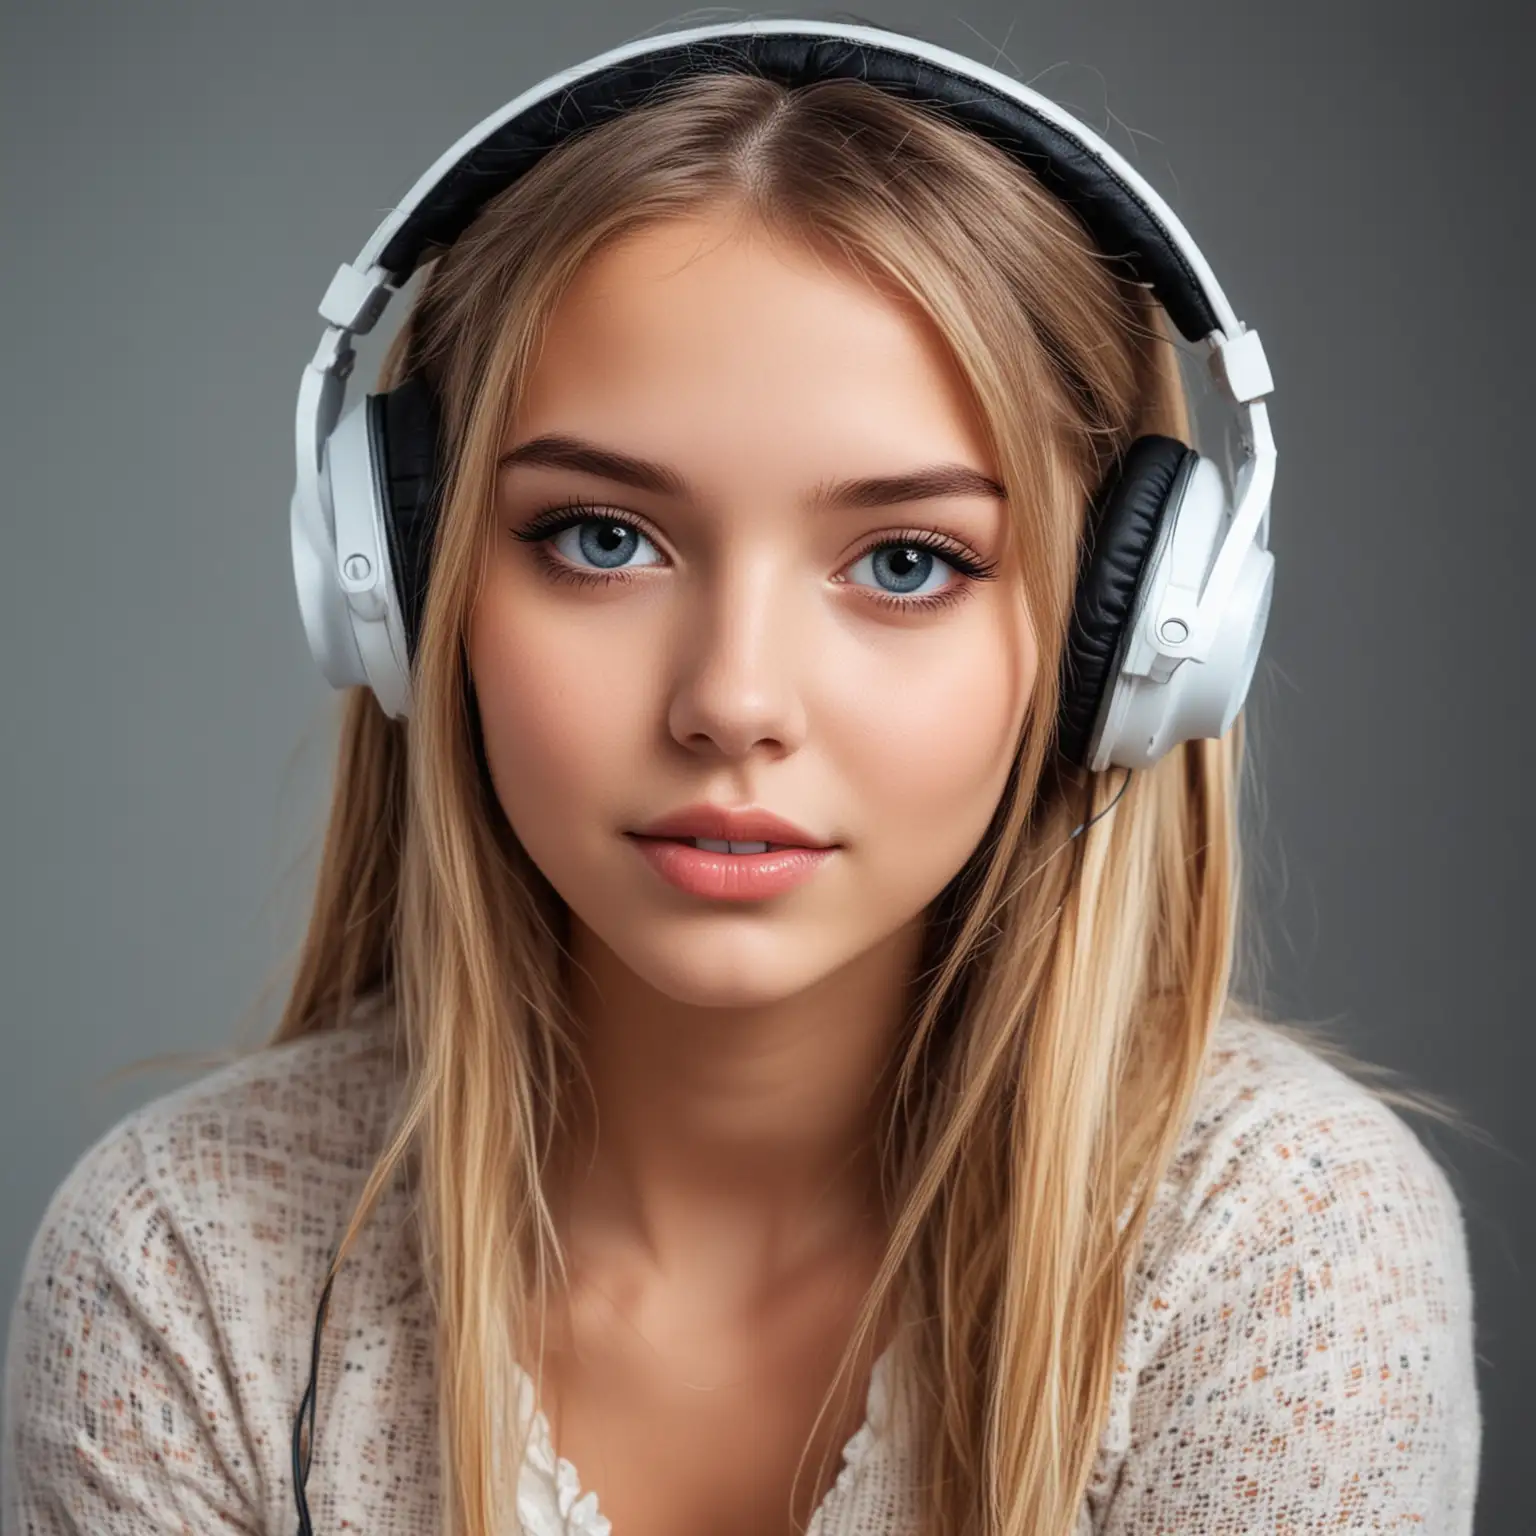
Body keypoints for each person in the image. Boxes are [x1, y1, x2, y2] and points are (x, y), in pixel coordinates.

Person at [2, 20, 1479, 1536]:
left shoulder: (1282, 1248)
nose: (732, 702)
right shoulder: (184, 1263)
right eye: (600, 538)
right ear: (399, 585)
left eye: (906, 562)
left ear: (1142, 639)